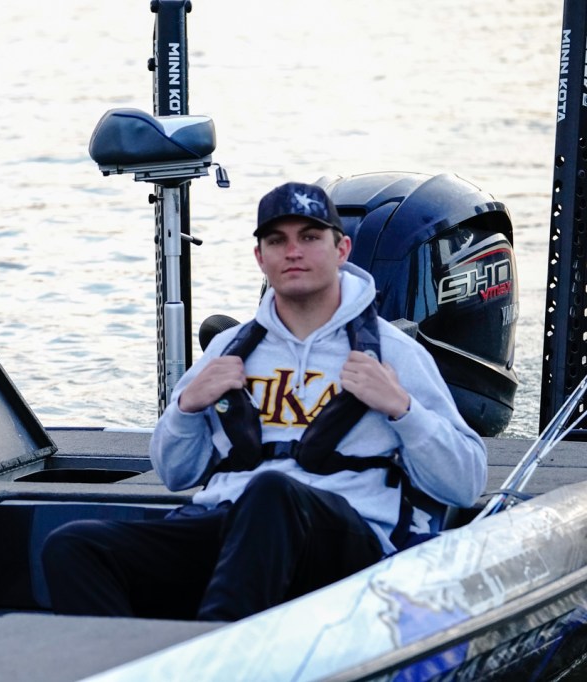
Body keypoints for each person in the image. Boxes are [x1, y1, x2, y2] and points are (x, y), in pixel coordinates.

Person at [42, 181, 487, 622]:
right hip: (232, 526)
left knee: (273, 492)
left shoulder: (395, 353)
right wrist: (186, 409)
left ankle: (218, 645)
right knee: (75, 545)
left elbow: (466, 484)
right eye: (277, 241)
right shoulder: (228, 350)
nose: (292, 252)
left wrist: (403, 409)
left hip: (346, 544)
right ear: (260, 257)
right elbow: (176, 475)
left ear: (342, 250)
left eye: (309, 237)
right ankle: (133, 658)